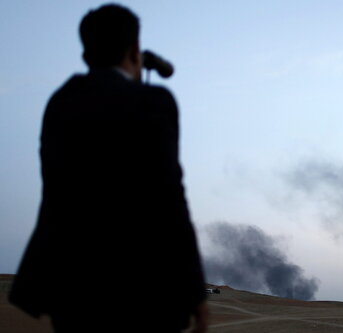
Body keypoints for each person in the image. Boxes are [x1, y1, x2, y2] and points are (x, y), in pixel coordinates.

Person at [9, 4, 208, 332]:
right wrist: (194, 292)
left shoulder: (60, 103)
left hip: (73, 289)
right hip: (143, 291)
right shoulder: (154, 102)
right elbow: (170, 198)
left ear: (86, 53)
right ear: (134, 50)